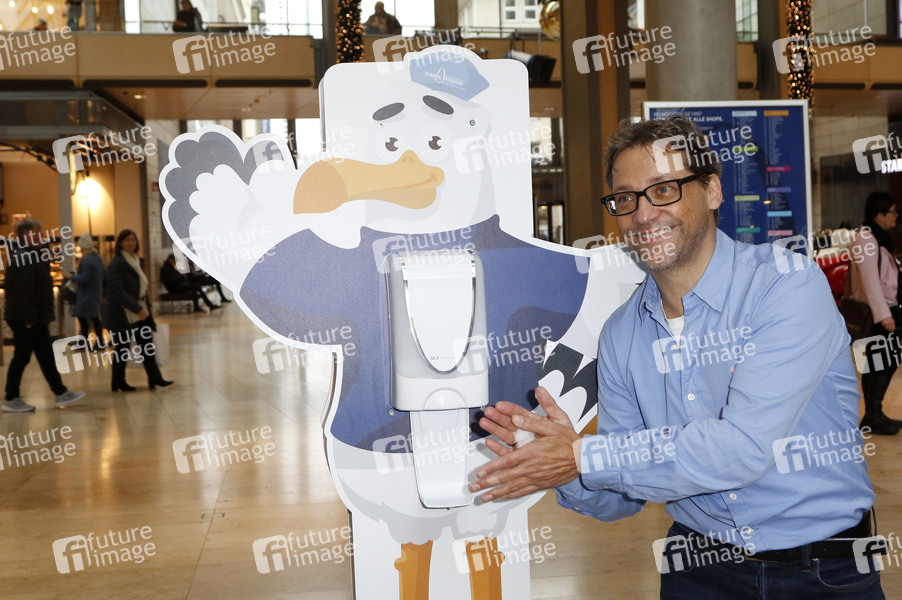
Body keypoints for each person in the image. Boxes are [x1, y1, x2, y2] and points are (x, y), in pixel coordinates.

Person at [471, 116, 885, 598]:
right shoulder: (622, 334)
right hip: (698, 570)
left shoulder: (784, 286)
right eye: (625, 198)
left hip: (823, 571)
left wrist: (581, 454)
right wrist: (553, 462)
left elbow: (743, 448)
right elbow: (623, 498)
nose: (643, 214)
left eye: (664, 189)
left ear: (712, 190)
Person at [3, 219, 86, 411]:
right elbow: (22, 292)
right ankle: (11, 398)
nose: (42, 237)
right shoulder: (24, 257)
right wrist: (29, 320)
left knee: (45, 356)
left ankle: (60, 392)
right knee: (22, 357)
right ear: (26, 235)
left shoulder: (32, 255)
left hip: (35, 317)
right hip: (26, 318)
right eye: (37, 233)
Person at [849, 192, 902, 435]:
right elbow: (870, 281)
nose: (896, 215)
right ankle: (873, 415)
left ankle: (874, 414)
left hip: (883, 309)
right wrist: (884, 316)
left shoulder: (876, 237)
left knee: (880, 363)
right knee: (881, 363)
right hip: (878, 312)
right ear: (879, 215)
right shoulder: (866, 240)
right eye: (892, 211)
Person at [103, 230, 173, 392]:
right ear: (120, 243)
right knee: (122, 348)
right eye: (127, 240)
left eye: (133, 240)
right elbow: (118, 292)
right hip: (121, 313)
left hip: (141, 309)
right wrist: (137, 308)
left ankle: (155, 377)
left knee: (147, 344)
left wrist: (145, 308)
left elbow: (141, 287)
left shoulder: (135, 260)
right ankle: (118, 381)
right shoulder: (116, 264)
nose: (131, 243)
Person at [68, 233, 106, 352]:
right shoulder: (98, 258)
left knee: (84, 319)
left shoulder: (87, 260)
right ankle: (95, 342)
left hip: (86, 295)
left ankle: (86, 343)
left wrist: (71, 277)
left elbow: (84, 278)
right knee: (94, 318)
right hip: (95, 292)